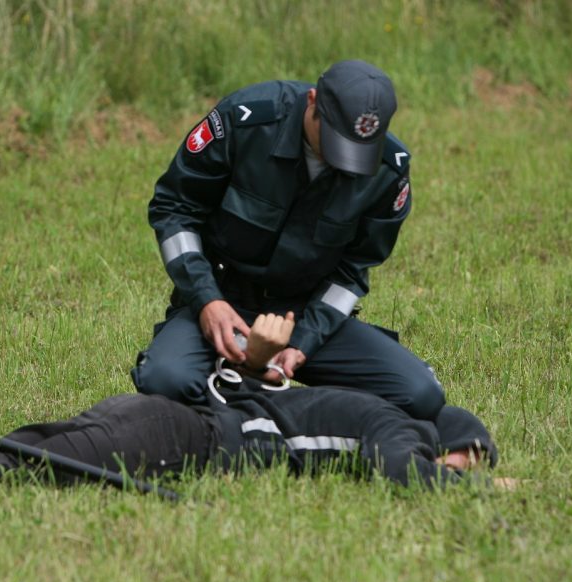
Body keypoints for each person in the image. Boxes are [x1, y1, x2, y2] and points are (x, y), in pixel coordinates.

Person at [0, 315, 500, 515]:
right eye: (469, 458)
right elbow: (405, 471)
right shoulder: (399, 426)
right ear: (454, 442)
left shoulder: (359, 408)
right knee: (1, 467)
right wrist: (465, 484)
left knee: (10, 462)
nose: (458, 467)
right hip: (180, 434)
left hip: (167, 421)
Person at [132, 59, 444, 420]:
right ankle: (251, 396)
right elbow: (174, 209)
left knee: (420, 395)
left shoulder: (387, 172)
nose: (343, 162)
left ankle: (261, 404)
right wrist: (205, 300)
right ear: (312, 101)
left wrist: (303, 342)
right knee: (165, 380)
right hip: (222, 300)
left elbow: (352, 272)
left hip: (306, 316)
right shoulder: (246, 120)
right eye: (335, 141)